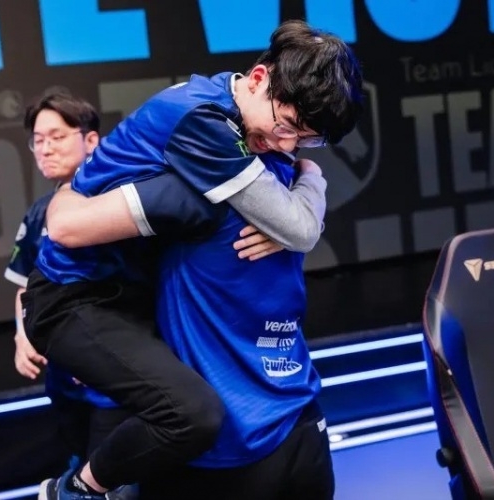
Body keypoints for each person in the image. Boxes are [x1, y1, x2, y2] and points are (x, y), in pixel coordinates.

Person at [24, 20, 363, 499]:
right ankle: (75, 490)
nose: (288, 146)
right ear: (259, 79)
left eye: (305, 141)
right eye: (287, 128)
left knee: (169, 417)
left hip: (132, 291)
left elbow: (294, 224)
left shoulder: (251, 141)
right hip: (75, 293)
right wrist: (311, 183)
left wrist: (290, 214)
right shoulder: (203, 132)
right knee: (187, 414)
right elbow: (63, 227)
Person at [3, 88, 136, 500]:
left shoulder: (119, 205)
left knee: (109, 482)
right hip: (64, 384)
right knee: (78, 465)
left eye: (57, 137)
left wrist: (91, 353)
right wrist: (22, 335)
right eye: (38, 140)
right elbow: (26, 286)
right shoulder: (39, 212)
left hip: (113, 386)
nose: (45, 149)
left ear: (91, 140)